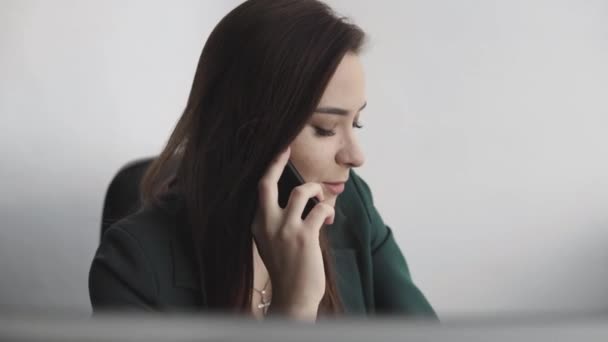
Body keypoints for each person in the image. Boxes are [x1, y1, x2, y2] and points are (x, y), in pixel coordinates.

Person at [89, 0, 437, 322]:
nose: (356, 156)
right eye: (326, 128)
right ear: (249, 133)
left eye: (356, 122)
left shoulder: (350, 208)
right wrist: (293, 311)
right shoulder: (132, 264)